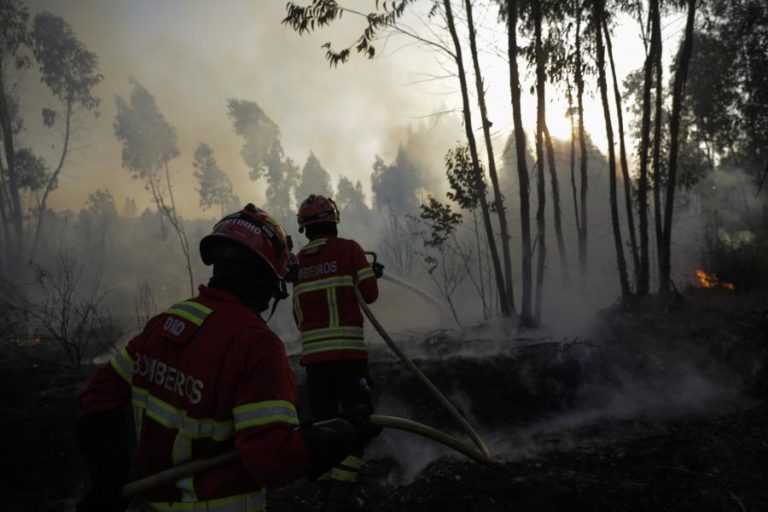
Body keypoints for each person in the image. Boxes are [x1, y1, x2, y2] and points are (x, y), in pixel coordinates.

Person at [74, 204, 381, 512]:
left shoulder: (164, 324)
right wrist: (347, 433)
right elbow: (273, 461)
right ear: (268, 279)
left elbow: (97, 395)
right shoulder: (257, 347)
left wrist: (107, 476)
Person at [292, 194, 384, 511]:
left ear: (304, 228)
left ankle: (324, 491)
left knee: (325, 425)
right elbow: (369, 295)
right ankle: (341, 494)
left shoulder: (297, 263)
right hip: (349, 357)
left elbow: (297, 315)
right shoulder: (349, 250)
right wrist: (369, 274)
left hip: (315, 363)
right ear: (334, 219)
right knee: (358, 421)